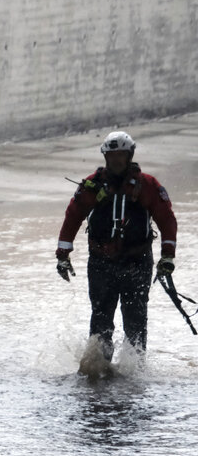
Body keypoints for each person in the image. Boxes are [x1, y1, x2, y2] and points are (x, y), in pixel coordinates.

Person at [55, 130, 177, 362]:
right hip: (101, 264)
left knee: (136, 321)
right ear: (105, 158)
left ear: (130, 155)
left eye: (121, 155)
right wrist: (63, 255)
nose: (117, 160)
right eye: (112, 156)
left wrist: (167, 257)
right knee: (100, 320)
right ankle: (99, 369)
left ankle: (134, 373)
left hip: (137, 264)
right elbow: (73, 216)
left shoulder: (148, 186)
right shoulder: (92, 186)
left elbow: (166, 219)